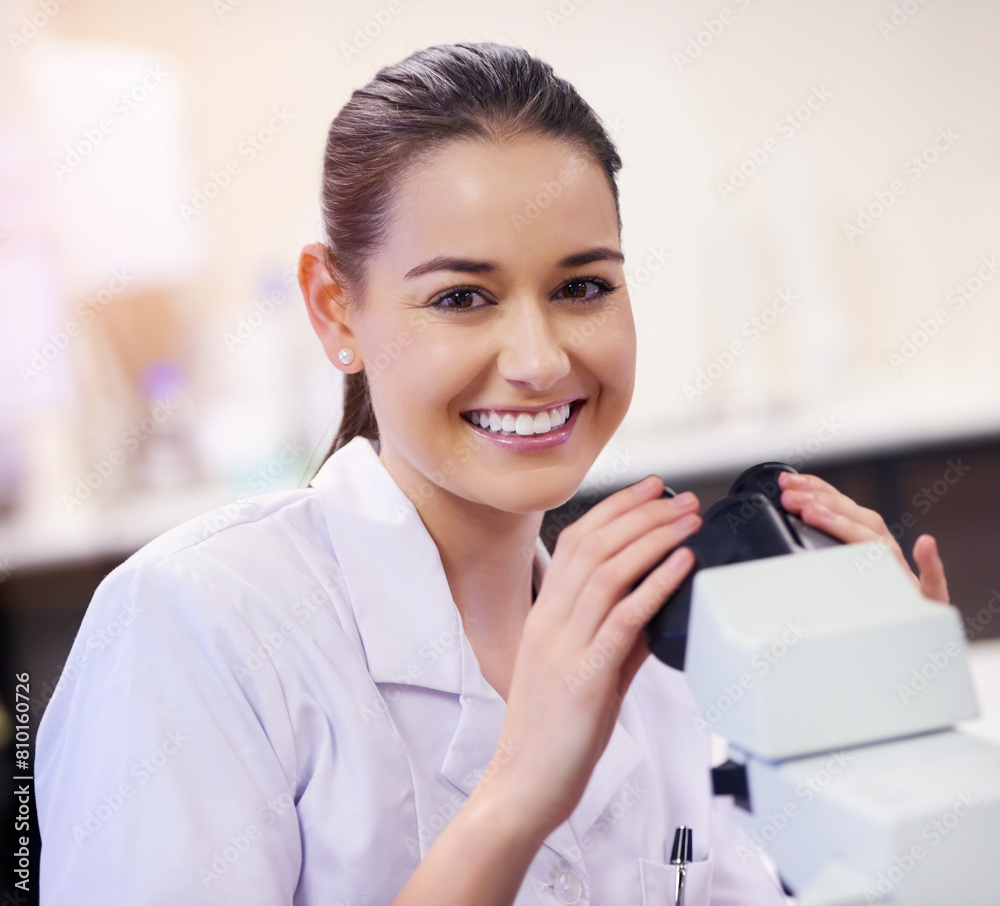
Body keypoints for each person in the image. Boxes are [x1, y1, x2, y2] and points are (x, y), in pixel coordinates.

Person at [35, 42, 950, 905]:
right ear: (333, 308)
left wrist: (881, 748)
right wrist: (517, 798)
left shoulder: (660, 651)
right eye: (462, 298)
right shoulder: (193, 624)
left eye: (581, 287)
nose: (540, 360)